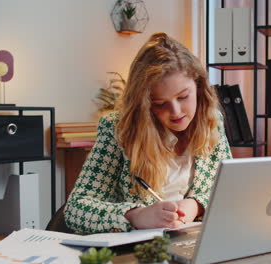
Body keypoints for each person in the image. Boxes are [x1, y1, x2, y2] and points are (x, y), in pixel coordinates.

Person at [64, 32, 232, 234]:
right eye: (160, 104)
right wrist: (135, 215)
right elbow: (75, 209)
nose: (176, 112)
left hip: (193, 241)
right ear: (143, 104)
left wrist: (196, 204)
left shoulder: (212, 121)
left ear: (198, 86)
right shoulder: (119, 130)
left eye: (183, 96)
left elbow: (228, 190)